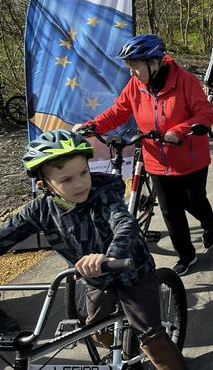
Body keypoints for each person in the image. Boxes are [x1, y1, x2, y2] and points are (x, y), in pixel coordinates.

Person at [2, 130, 186, 369]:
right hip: (97, 281)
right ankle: (121, 351)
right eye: (66, 180)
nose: (80, 183)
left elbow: (124, 222)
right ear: (43, 184)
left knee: (152, 337)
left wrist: (112, 255)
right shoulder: (39, 210)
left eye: (83, 172)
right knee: (94, 329)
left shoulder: (103, 192)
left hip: (132, 272)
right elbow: (8, 233)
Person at [75, 34, 213, 277]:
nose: (132, 73)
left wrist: (178, 131)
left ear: (154, 63)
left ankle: (208, 222)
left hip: (189, 160)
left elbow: (205, 114)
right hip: (156, 160)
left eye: (135, 67)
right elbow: (118, 112)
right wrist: (92, 126)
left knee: (194, 202)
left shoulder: (185, 81)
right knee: (170, 210)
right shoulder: (135, 85)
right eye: (129, 67)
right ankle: (186, 255)